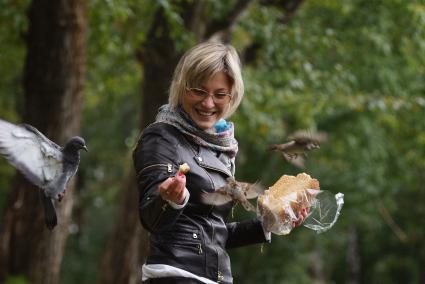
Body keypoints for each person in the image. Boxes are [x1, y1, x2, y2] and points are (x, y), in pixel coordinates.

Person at [132, 42, 307, 284]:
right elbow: (152, 219)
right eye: (199, 91)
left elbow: (214, 232)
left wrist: (268, 224)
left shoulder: (221, 150)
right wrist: (169, 200)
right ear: (182, 87)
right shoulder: (161, 137)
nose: (208, 103)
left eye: (219, 94)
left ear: (232, 96)